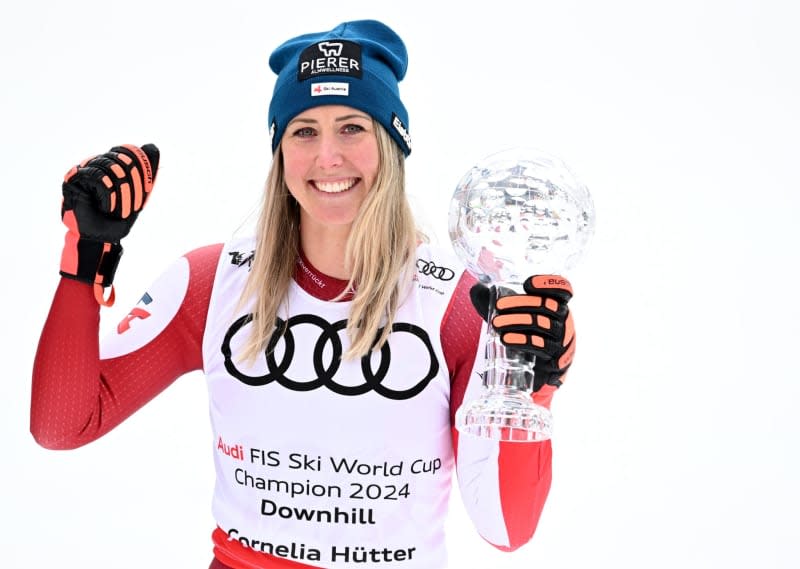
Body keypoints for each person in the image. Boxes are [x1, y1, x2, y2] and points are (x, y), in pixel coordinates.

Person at [30, 19, 577, 569]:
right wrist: (85, 259)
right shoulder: (211, 283)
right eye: (304, 130)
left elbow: (506, 527)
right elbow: (62, 425)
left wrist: (533, 389)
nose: (328, 156)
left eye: (352, 127)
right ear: (280, 150)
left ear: (392, 143)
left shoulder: (456, 305)